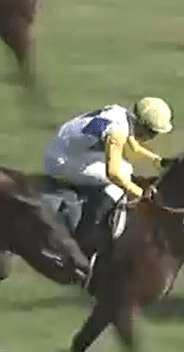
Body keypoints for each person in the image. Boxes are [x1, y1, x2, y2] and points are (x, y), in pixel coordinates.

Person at [43, 97, 173, 255]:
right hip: (60, 160)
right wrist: (140, 193)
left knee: (125, 167)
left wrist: (156, 160)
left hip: (65, 146)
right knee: (118, 184)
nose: (154, 137)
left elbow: (132, 146)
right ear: (146, 128)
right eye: (154, 133)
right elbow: (113, 173)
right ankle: (89, 240)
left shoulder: (124, 116)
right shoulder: (117, 132)